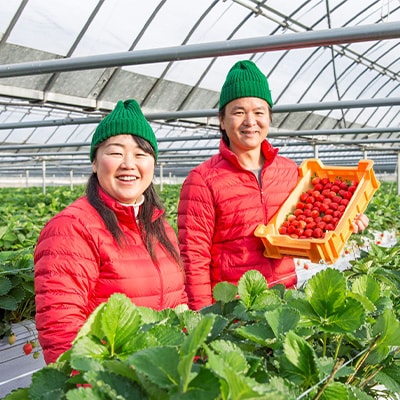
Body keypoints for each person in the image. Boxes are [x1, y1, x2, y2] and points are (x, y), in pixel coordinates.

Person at [177, 60, 368, 311]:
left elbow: (309, 231)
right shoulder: (203, 180)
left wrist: (345, 223)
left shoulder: (290, 172)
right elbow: (194, 257)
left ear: (269, 118)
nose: (250, 121)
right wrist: (204, 318)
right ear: (222, 121)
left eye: (259, 112)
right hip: (232, 307)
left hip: (283, 300)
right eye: (238, 112)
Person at [34, 99, 187, 364]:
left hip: (163, 377)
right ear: (94, 162)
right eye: (115, 152)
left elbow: (180, 304)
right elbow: (62, 329)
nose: (129, 163)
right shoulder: (71, 228)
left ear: (153, 163)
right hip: (113, 380)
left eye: (141, 154)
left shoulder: (160, 227)